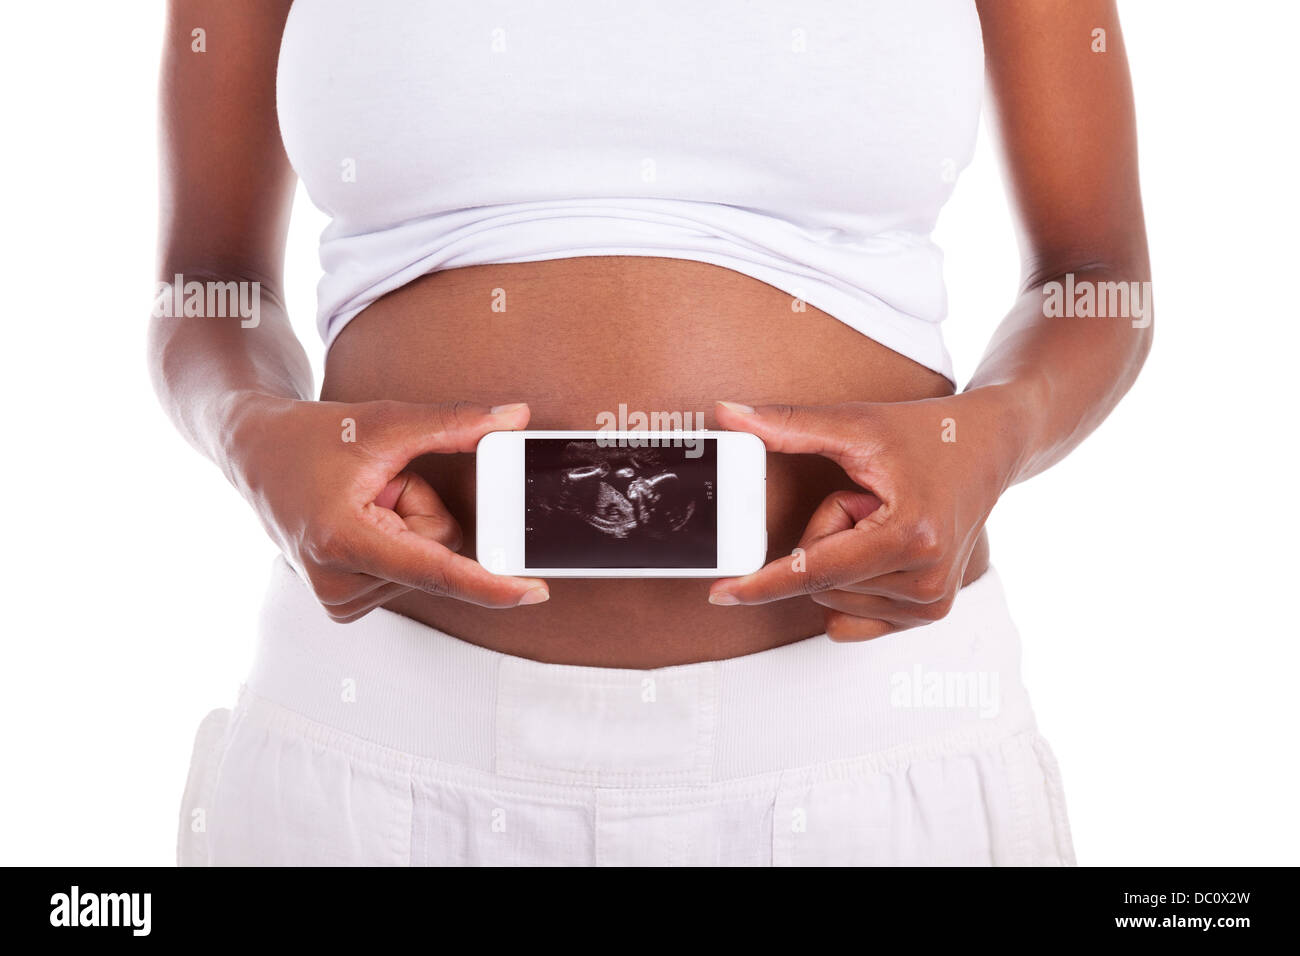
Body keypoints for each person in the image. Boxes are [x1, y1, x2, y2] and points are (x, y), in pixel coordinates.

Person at [153, 0, 1150, 865]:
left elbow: (1097, 277)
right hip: (372, 738)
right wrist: (252, 432)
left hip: (865, 735)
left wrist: (995, 432)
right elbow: (205, 285)